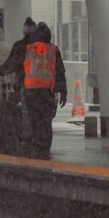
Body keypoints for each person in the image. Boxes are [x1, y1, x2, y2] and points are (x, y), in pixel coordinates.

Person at [21, 22, 67, 159]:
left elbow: (21, 70)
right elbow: (60, 73)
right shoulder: (53, 51)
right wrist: (63, 92)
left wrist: (18, 86)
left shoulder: (28, 50)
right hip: (47, 93)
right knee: (46, 122)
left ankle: (36, 147)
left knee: (33, 120)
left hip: (30, 92)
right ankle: (45, 148)